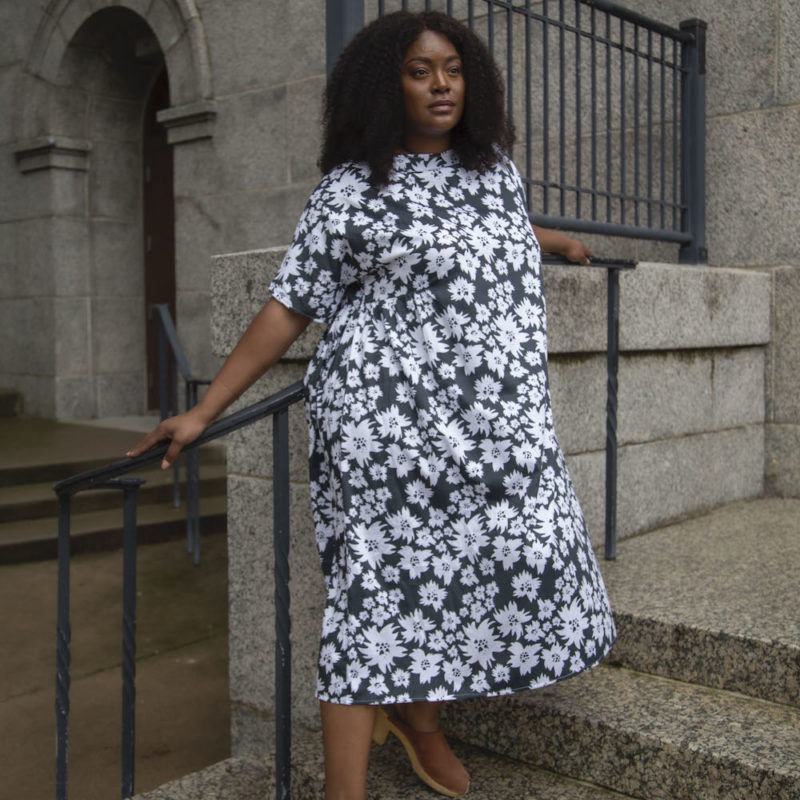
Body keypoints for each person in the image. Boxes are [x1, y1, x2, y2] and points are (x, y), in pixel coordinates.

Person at [128, 11, 616, 800]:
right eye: (420, 71)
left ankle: (419, 721)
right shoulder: (350, 190)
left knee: (497, 560)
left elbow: (479, 232)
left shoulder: (494, 171)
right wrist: (204, 411)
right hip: (384, 431)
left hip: (496, 430)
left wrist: (549, 240)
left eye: (452, 68)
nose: (441, 85)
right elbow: (289, 306)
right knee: (377, 597)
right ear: (385, 85)